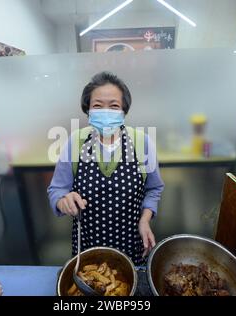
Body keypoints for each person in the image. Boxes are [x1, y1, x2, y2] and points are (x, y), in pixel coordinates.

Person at [47, 71, 165, 265]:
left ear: (124, 110)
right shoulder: (75, 142)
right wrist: (63, 201)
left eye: (114, 106)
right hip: (87, 243)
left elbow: (154, 189)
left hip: (131, 242)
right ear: (88, 110)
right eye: (98, 106)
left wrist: (145, 220)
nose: (106, 112)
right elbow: (56, 190)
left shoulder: (141, 143)